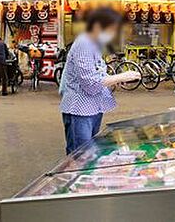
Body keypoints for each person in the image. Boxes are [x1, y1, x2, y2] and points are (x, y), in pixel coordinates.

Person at [59, 8, 141, 154]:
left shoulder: (94, 44)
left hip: (93, 107)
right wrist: (121, 77)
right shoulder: (84, 44)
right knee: (80, 154)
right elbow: (90, 82)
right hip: (80, 109)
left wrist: (114, 81)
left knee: (90, 151)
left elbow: (98, 72)